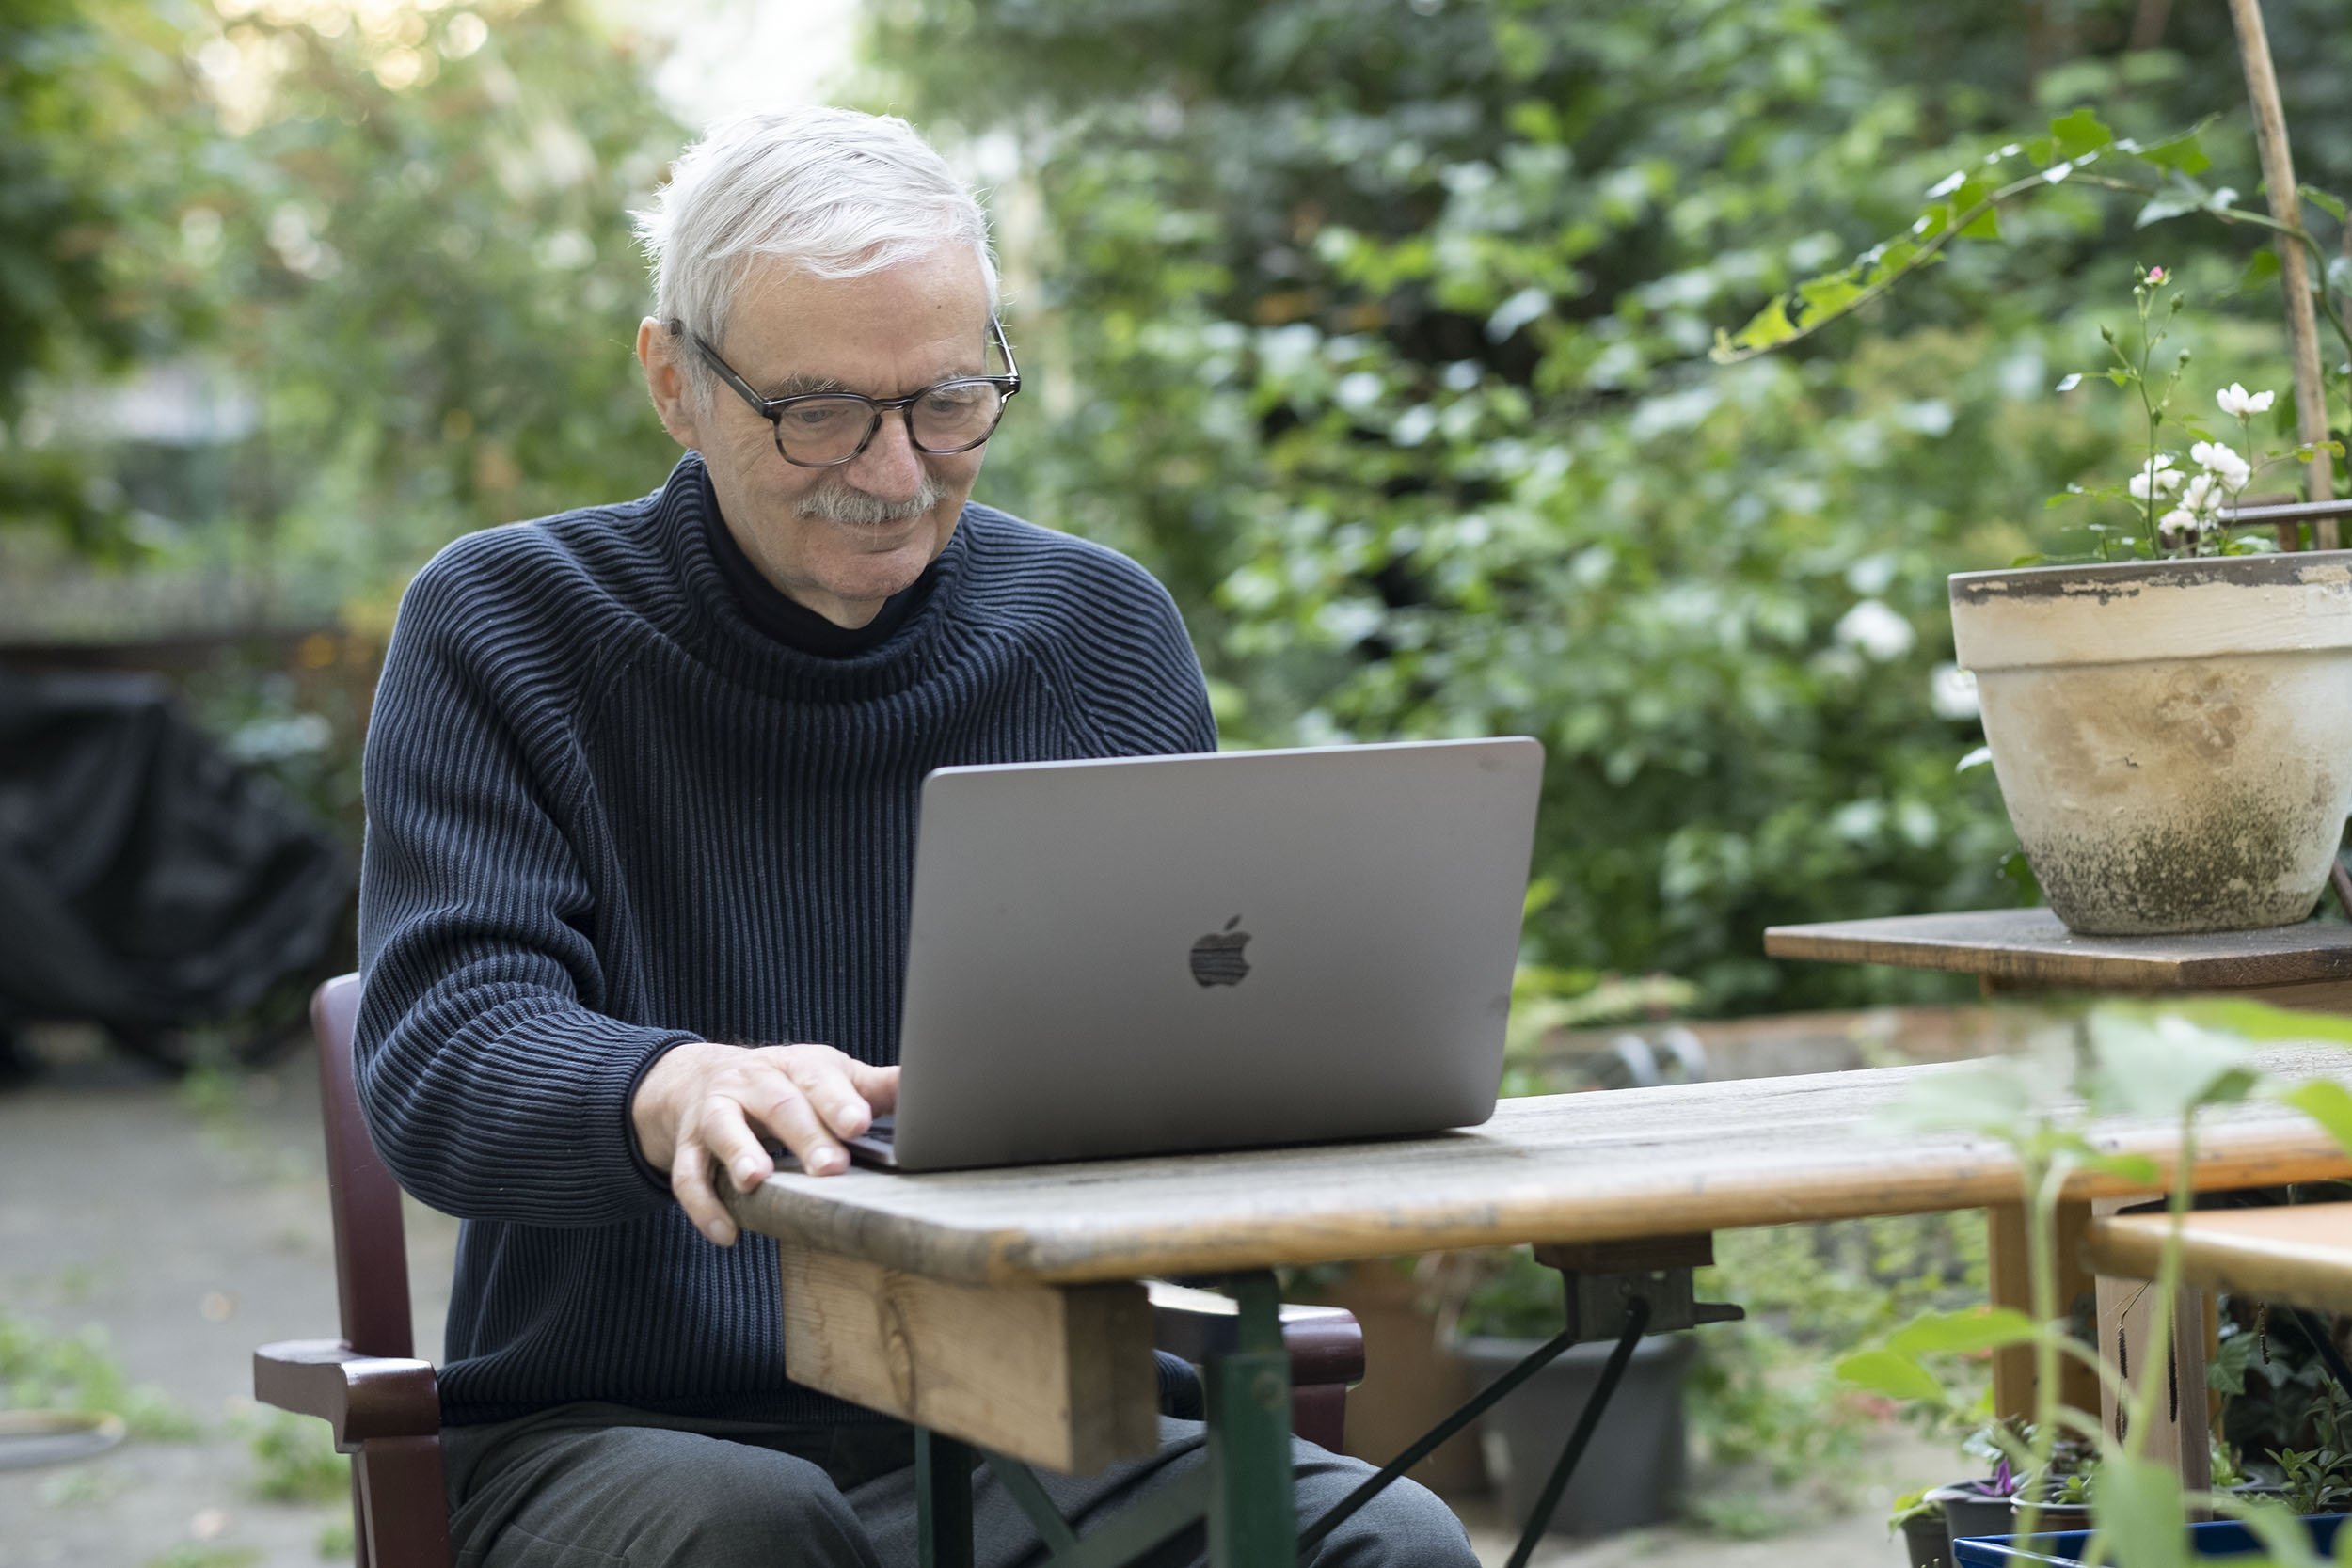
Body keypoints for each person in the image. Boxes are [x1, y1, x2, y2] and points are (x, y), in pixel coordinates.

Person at [354, 106, 1479, 1566]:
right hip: (623, 1435)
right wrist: (668, 1085)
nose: (895, 474)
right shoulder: (510, 628)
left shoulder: (1096, 633)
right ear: (675, 383)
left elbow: (1199, 1054)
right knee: (755, 1530)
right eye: (818, 412)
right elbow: (445, 1050)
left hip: (1042, 1428)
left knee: (1397, 1546)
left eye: (948, 401)